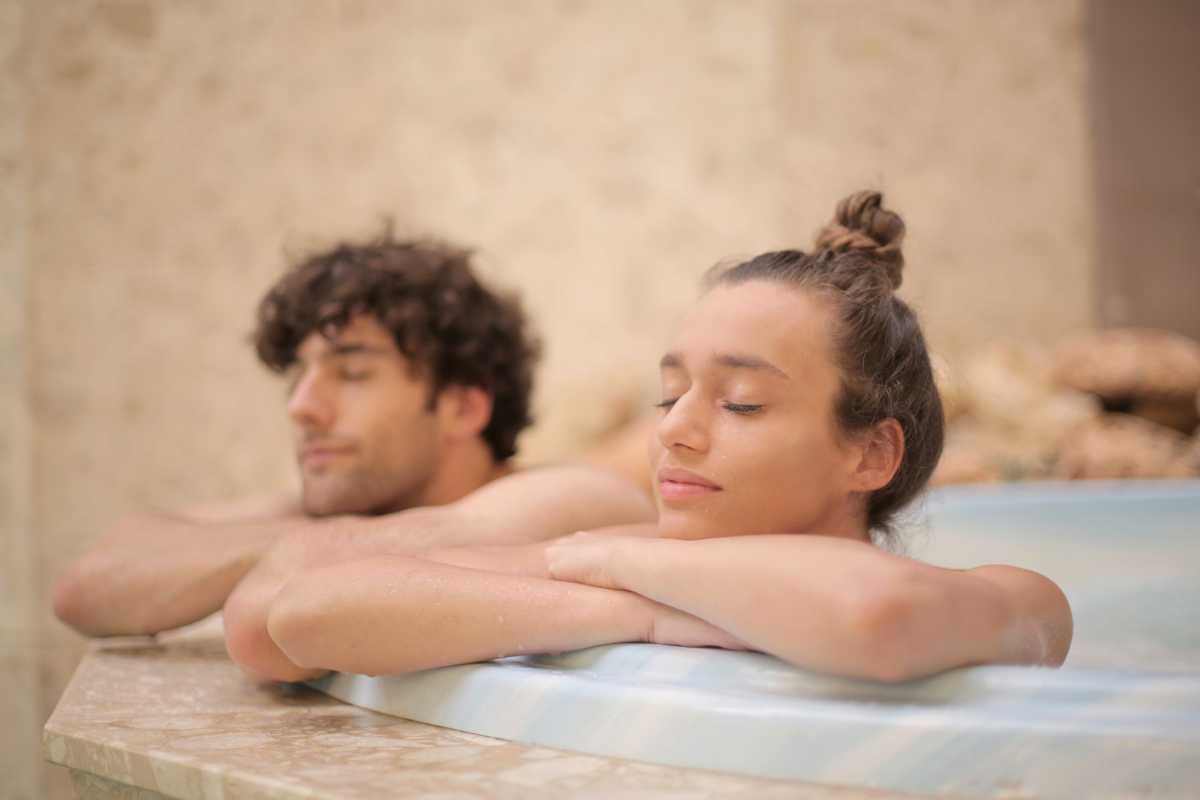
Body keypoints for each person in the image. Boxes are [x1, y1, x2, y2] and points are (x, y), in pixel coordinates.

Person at [249, 192, 1073, 684]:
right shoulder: (623, 565)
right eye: (670, 393)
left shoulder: (1015, 597)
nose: (673, 430)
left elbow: (876, 618)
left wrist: (623, 572)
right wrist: (641, 611)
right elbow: (303, 614)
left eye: (741, 403)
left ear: (871, 454)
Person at [52, 235, 654, 641]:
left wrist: (306, 543)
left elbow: (303, 587)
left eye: (353, 371)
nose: (303, 406)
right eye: (299, 374)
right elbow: (87, 588)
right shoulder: (351, 509)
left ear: (462, 408)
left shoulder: (566, 497)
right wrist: (313, 537)